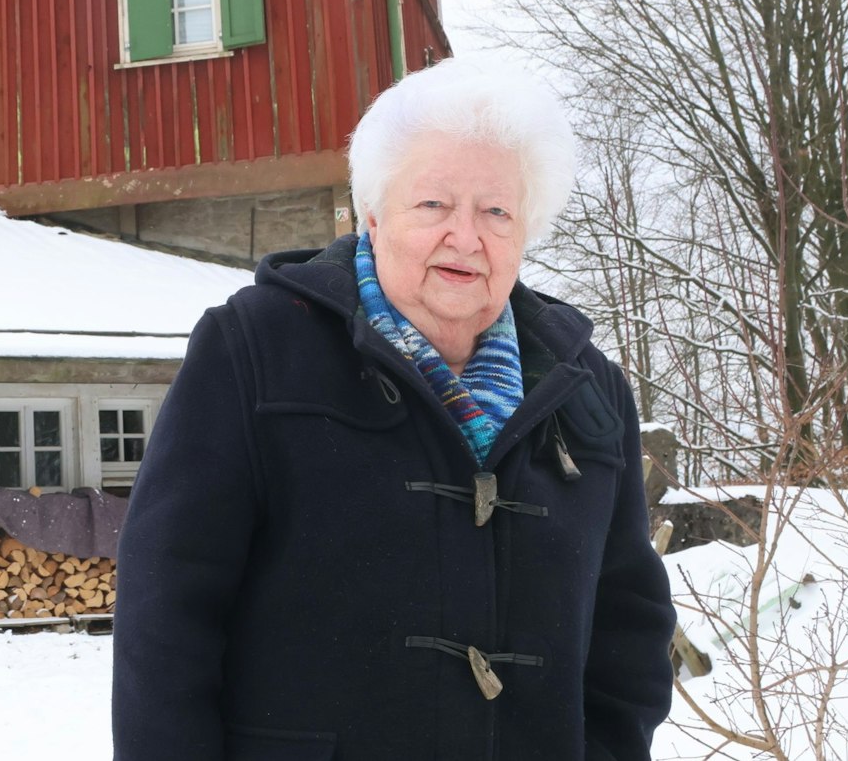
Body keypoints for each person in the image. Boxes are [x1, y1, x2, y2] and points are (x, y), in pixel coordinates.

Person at [112, 59, 676, 761]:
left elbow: (631, 627)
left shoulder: (589, 387)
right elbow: (166, 613)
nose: (466, 237)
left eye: (496, 210)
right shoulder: (255, 347)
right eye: (434, 204)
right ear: (373, 214)